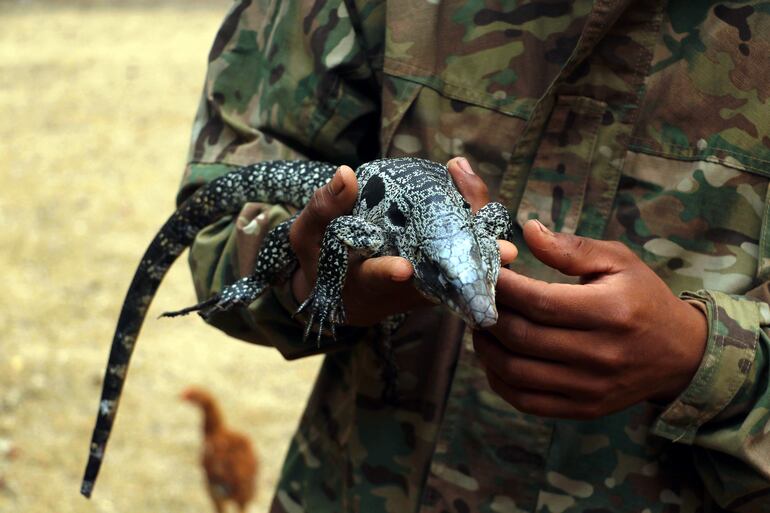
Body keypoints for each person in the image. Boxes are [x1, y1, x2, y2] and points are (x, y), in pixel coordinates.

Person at [178, 1, 770, 511]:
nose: (478, 309)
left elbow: (484, 223)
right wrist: (321, 288)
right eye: (456, 288)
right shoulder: (393, 236)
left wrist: (709, 361)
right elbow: (260, 205)